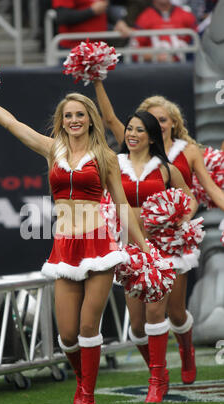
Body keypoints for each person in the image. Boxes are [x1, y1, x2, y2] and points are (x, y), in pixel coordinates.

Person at [0, 92, 150, 404]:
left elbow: (121, 205)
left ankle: (87, 400)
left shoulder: (105, 156)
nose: (74, 120)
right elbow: (12, 124)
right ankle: (81, 382)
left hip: (99, 246)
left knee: (90, 326)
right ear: (62, 121)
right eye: (67, 115)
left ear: (90, 119)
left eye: (79, 114)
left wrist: (145, 248)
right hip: (65, 247)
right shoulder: (53, 150)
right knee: (67, 335)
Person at [93, 79, 224, 384]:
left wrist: (176, 219)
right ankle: (158, 370)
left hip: (169, 244)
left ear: (172, 123)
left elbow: (204, 192)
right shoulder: (123, 157)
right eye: (149, 121)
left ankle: (183, 353)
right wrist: (97, 79)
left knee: (174, 313)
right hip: (132, 245)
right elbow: (111, 120)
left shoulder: (183, 154)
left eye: (162, 120)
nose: (156, 126)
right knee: (137, 325)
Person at [109, 110, 198, 402]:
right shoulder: (114, 164)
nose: (131, 135)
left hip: (159, 249)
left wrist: (182, 221)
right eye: (129, 130)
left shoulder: (165, 168)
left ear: (151, 137)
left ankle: (159, 379)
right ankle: (158, 370)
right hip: (128, 251)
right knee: (136, 327)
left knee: (158, 314)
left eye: (139, 130)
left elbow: (190, 199)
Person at [52, 0, 132, 51]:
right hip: (74, 50)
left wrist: (118, 22)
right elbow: (62, 17)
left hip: (99, 49)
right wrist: (91, 11)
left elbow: (105, 8)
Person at [132, 0, 198, 62]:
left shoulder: (186, 15)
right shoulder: (144, 18)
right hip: (155, 68)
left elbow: (198, 43)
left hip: (184, 66)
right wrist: (156, 57)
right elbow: (134, 51)